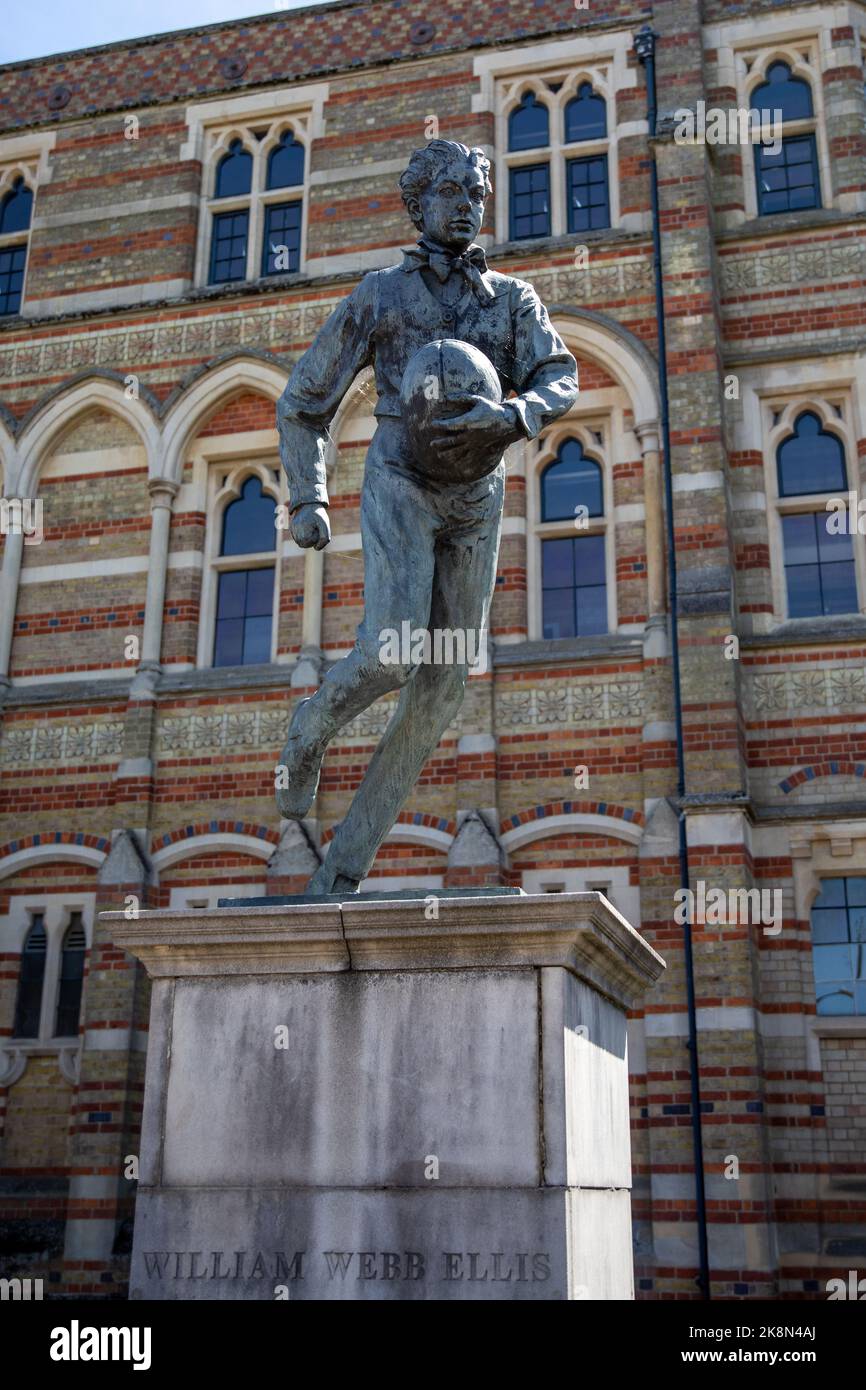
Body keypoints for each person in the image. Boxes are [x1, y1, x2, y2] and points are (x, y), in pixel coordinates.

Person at [276, 139, 578, 893]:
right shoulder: (382, 295)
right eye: (452, 192)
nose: (469, 205)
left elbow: (559, 374)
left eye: (478, 193)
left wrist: (515, 415)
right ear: (418, 205)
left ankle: (342, 870)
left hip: (476, 494)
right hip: (401, 481)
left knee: (443, 686)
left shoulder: (511, 300)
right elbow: (304, 402)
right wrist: (309, 497)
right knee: (392, 652)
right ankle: (311, 725)